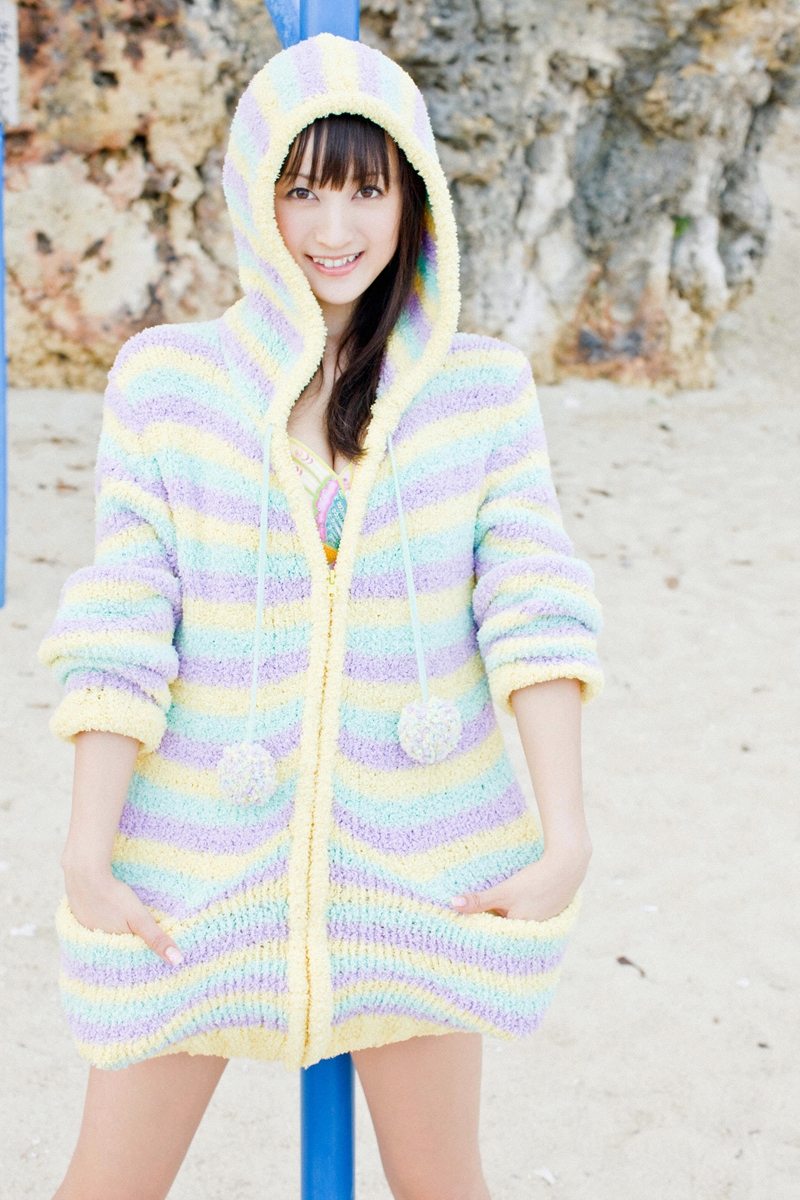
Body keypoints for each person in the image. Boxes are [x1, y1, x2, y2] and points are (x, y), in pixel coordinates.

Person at [39, 33, 603, 1200]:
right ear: (257, 197)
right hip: (190, 871)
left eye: (364, 188)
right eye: (300, 190)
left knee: (440, 1182)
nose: (332, 226)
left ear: (413, 199)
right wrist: (87, 852)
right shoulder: (169, 385)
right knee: (106, 1184)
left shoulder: (479, 392)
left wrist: (565, 836)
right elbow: (124, 619)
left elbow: (533, 606)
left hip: (419, 869)